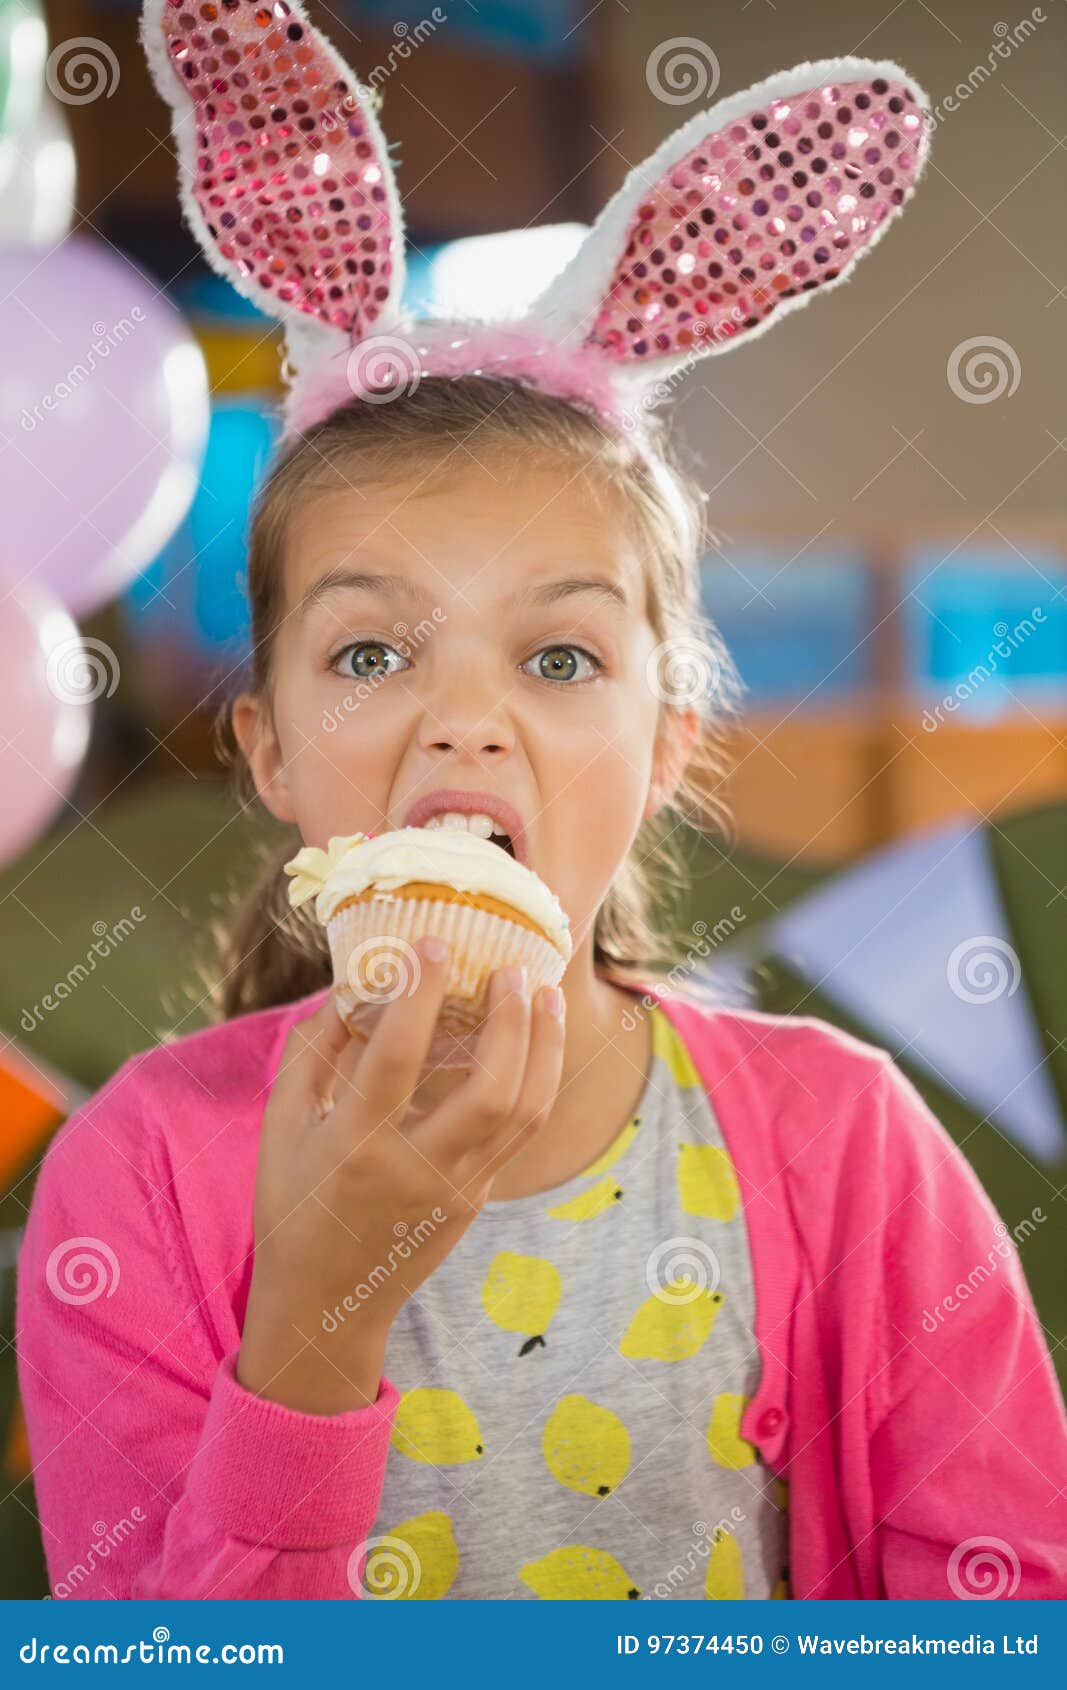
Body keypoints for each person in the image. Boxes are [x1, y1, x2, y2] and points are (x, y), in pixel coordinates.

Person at [15, 2, 1067, 1600]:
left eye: (562, 656)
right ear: (269, 750)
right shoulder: (136, 1178)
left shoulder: (847, 1142)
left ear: (667, 746)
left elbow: (1007, 1620)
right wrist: (314, 1322)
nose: (465, 718)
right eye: (372, 650)